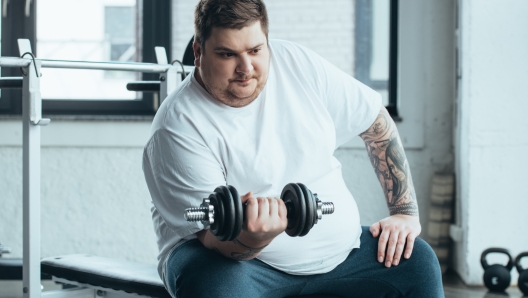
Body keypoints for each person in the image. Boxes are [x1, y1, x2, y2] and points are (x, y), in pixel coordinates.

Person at [142, 0, 443, 297]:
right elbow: (213, 238)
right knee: (215, 288)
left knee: (417, 262)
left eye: (256, 50)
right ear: (198, 52)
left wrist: (404, 212)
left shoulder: (296, 63)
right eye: (227, 54)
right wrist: (256, 238)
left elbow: (374, 119)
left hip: (344, 258)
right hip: (239, 266)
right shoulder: (176, 127)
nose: (245, 68)